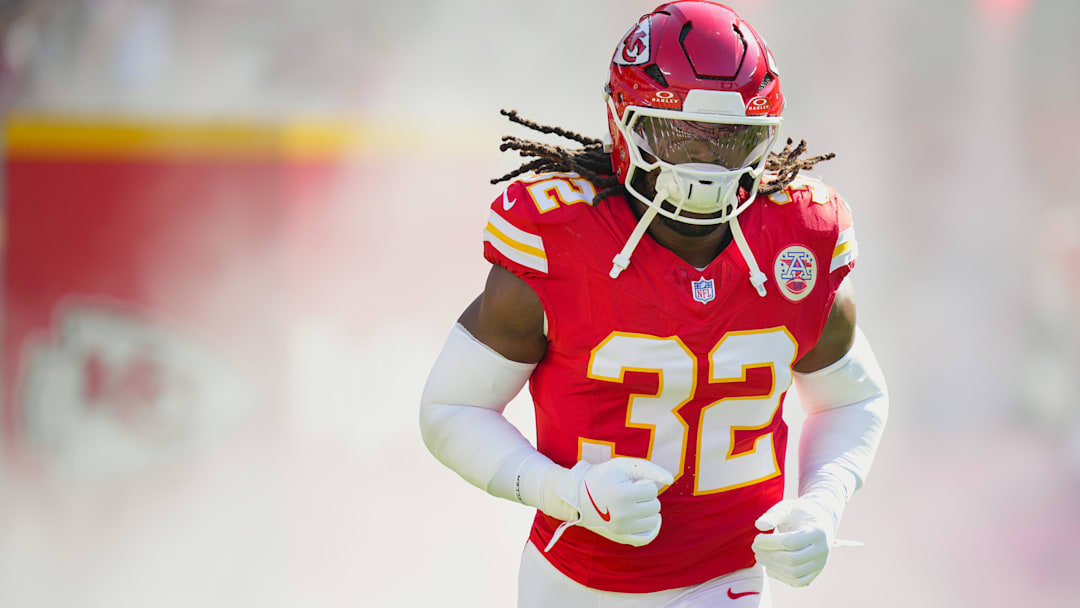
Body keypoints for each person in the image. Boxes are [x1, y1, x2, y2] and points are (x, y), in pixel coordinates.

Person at [419, 2, 888, 606]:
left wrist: (824, 504)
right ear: (623, 124)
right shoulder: (561, 238)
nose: (706, 166)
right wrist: (567, 492)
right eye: (679, 136)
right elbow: (451, 408)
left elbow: (855, 396)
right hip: (576, 584)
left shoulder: (800, 237)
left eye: (730, 139)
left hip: (728, 577)